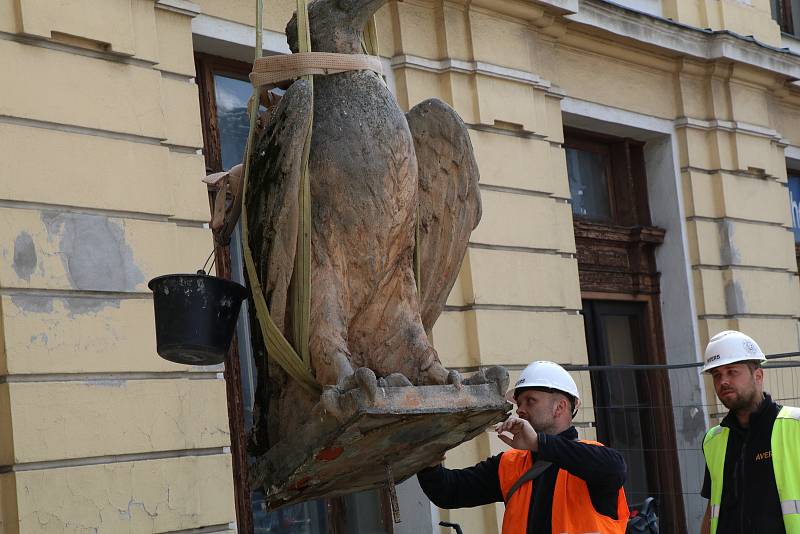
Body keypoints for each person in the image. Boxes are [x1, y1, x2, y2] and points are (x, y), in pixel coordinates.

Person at [417, 360, 629, 533]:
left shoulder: (594, 458)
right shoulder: (510, 465)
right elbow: (448, 491)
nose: (520, 410)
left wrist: (538, 443)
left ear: (560, 407)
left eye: (530, 401)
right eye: (519, 404)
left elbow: (615, 468)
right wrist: (429, 455)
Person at [699, 330, 800, 534]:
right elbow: (713, 508)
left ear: (758, 376)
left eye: (732, 371)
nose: (723, 381)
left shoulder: (795, 426)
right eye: (716, 375)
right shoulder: (714, 440)